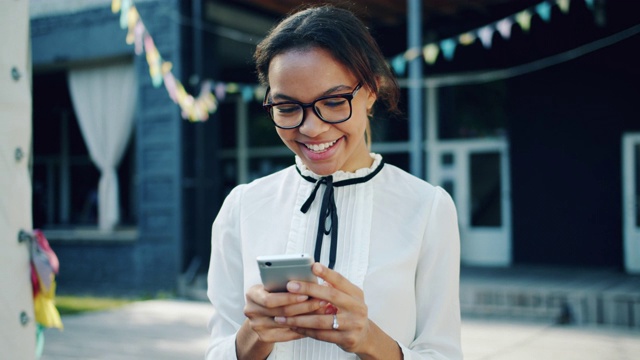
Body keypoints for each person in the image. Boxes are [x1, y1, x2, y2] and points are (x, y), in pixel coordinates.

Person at [206, 5, 462, 359]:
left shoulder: (427, 207)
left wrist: (371, 340)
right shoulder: (243, 206)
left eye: (333, 101)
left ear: (371, 90)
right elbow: (216, 350)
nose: (311, 128)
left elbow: (444, 353)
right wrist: (255, 333)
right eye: (287, 108)